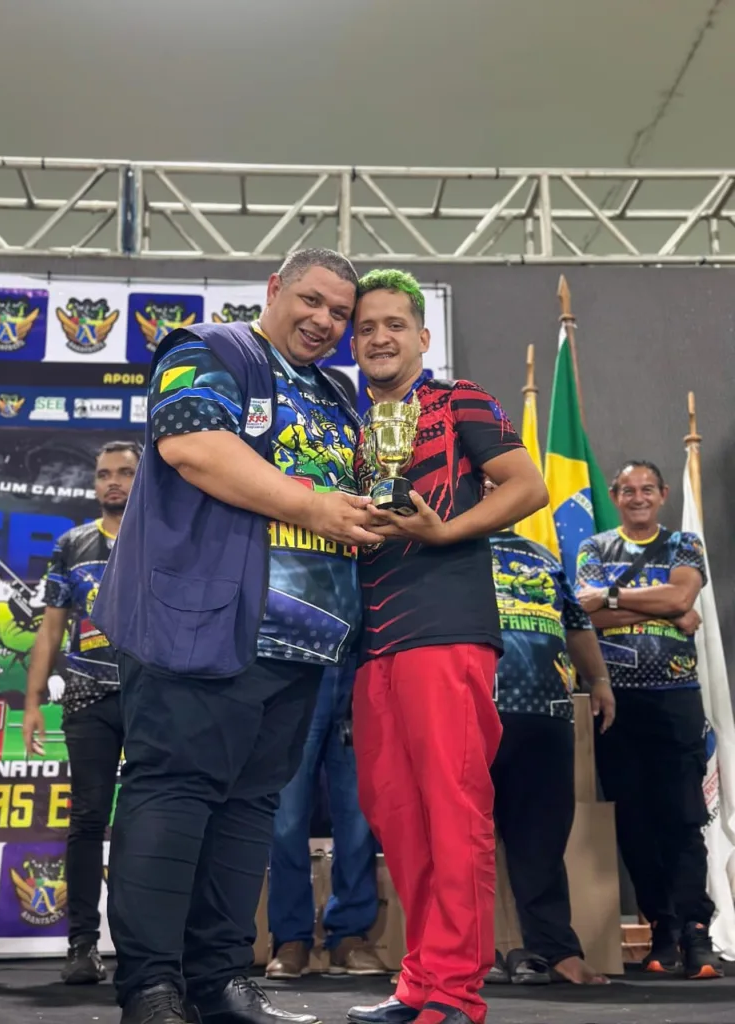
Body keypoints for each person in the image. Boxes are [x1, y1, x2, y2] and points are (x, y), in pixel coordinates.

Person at [92, 249, 384, 1024]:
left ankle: (219, 981)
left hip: (303, 644)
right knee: (174, 793)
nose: (325, 321)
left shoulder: (336, 392)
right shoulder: (211, 348)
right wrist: (315, 507)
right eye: (311, 301)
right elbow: (193, 446)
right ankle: (151, 987)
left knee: (250, 809)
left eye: (340, 313)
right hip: (204, 624)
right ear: (274, 289)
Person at [346, 269, 548, 1024]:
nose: (380, 338)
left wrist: (446, 531)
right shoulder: (350, 425)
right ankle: (419, 980)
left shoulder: (459, 398)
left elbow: (527, 486)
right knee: (396, 816)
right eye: (367, 328)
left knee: (452, 811)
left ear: (423, 337)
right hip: (373, 642)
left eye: (394, 324)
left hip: (447, 629)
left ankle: (458, 991)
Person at [575, 459, 722, 980]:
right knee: (634, 822)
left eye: (647, 489)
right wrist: (665, 610)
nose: (637, 498)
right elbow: (587, 615)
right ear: (615, 496)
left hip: (676, 701)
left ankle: (695, 931)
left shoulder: (684, 544)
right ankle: (662, 927)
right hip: (615, 703)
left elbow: (681, 594)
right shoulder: (595, 548)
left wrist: (615, 597)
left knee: (682, 819)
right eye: (627, 490)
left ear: (662, 494)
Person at [483, 495, 615, 986]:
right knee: (461, 839)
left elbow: (577, 625)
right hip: (475, 711)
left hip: (549, 712)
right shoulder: (449, 547)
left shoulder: (542, 556)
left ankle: (554, 949)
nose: (498, 493)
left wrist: (599, 680)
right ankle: (468, 954)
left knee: (542, 839)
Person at [22, 440, 139, 984]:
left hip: (150, 696)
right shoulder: (71, 544)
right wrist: (31, 702)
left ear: (143, 478)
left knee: (146, 823)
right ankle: (82, 946)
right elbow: (50, 630)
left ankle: (142, 950)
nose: (112, 481)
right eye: (103, 474)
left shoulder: (162, 537)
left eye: (125, 473)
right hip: (87, 697)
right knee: (89, 819)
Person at [265, 659, 386, 979]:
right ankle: (291, 938)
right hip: (298, 661)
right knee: (287, 819)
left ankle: (349, 933)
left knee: (358, 817)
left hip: (359, 663)